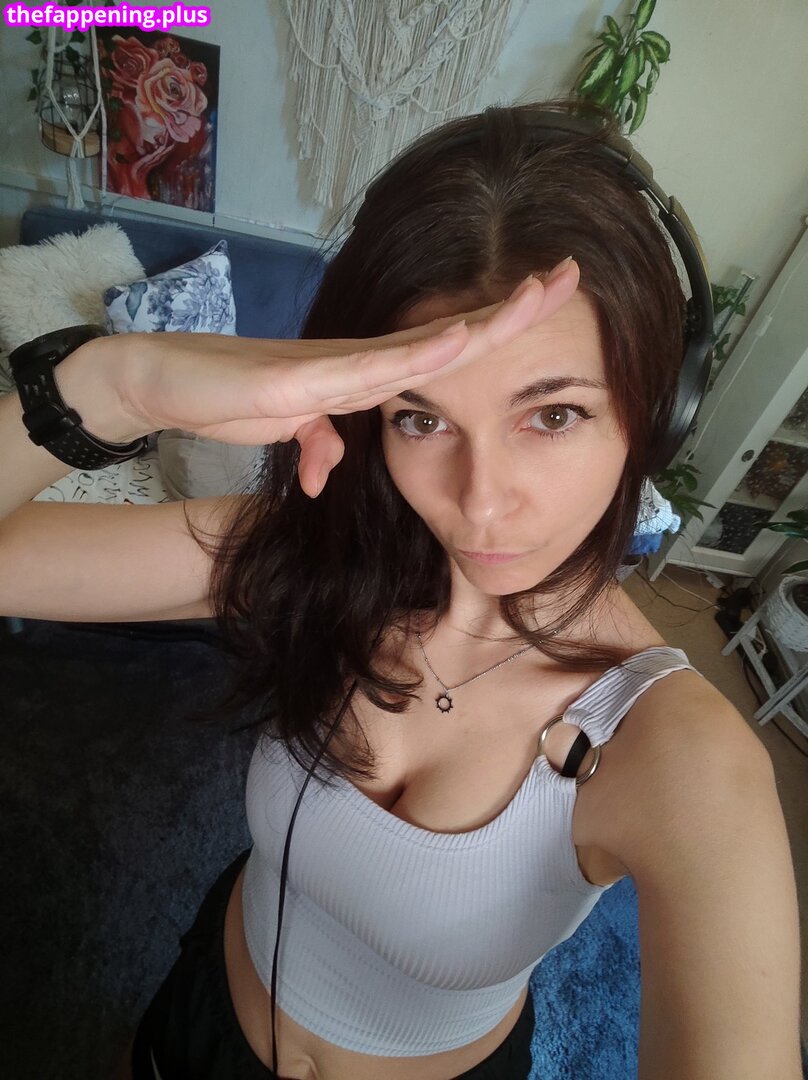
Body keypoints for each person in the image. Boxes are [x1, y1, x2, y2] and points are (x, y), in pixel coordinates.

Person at [0, 99, 801, 1080]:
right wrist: (117, 385)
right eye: (421, 419)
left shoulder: (680, 756)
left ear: (654, 414)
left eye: (552, 414)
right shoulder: (315, 558)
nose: (480, 502)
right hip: (204, 1009)